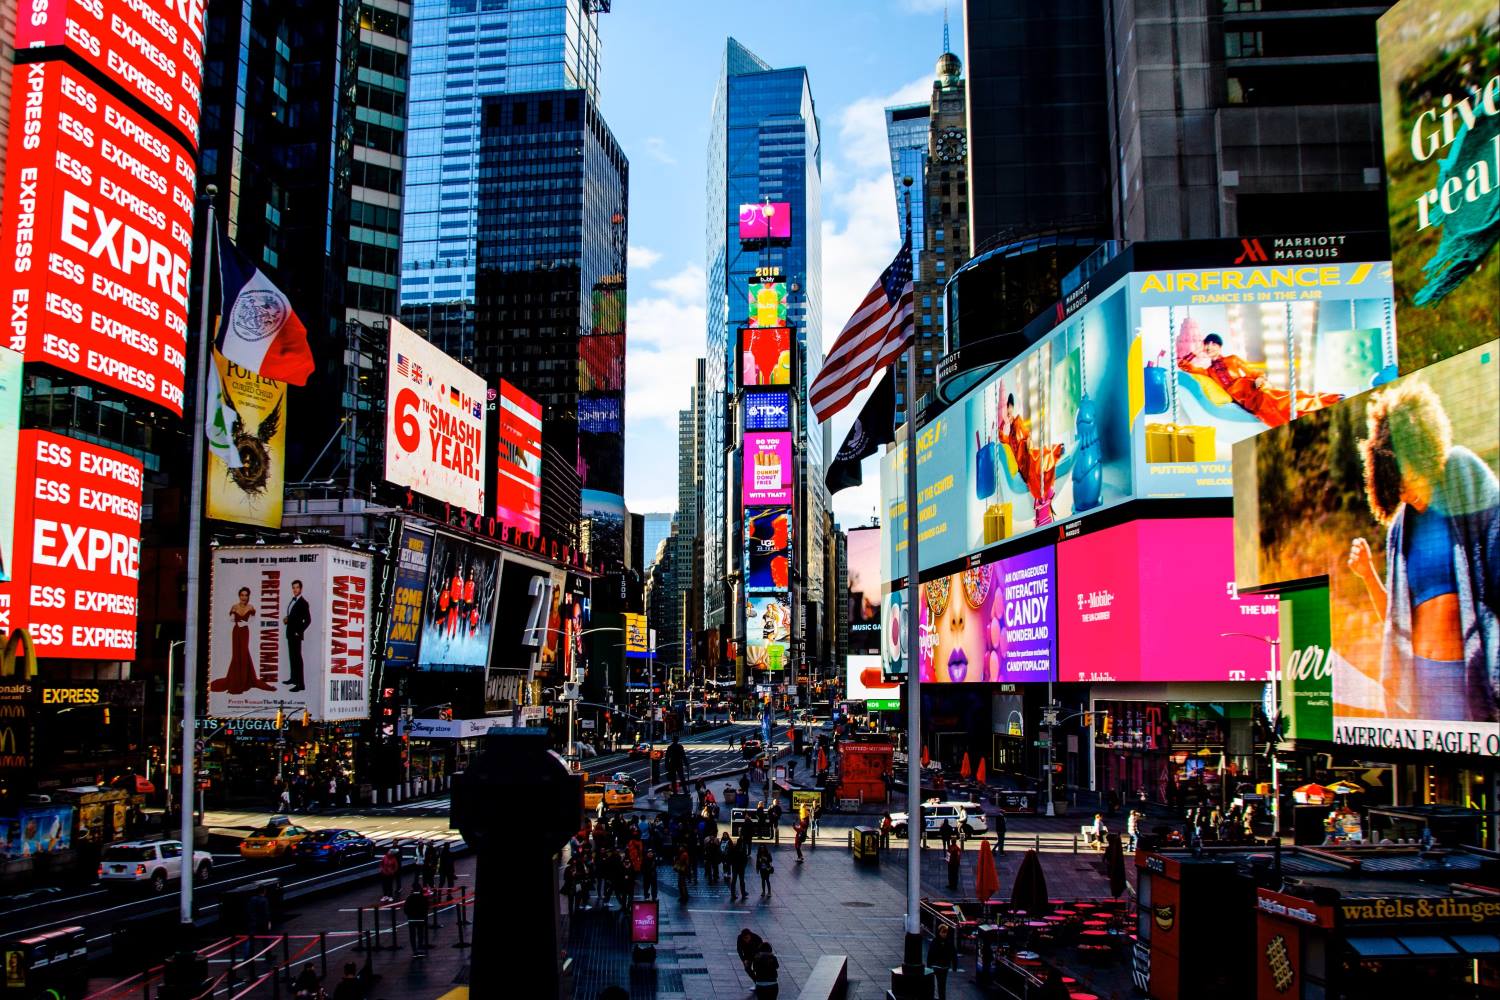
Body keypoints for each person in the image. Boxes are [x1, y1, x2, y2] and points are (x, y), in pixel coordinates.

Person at [1347, 379, 1499, 723]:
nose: (1404, 493)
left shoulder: (1463, 476)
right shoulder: (1402, 529)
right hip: (1420, 682)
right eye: (1393, 486)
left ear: (1422, 450)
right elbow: (1395, 620)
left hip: (1470, 675)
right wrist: (1368, 575)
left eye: (1405, 477)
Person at [1178, 331, 1340, 428]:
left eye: (1214, 344)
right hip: (1243, 399)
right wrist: (1196, 351)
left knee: (1281, 399)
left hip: (1253, 388)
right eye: (1207, 344)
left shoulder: (1233, 359)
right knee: (1274, 410)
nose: (1210, 347)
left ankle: (1327, 400)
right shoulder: (1208, 371)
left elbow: (1254, 372)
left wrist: (1260, 379)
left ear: (1220, 347)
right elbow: (1183, 365)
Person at [212, 588, 275, 693]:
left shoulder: (250, 607)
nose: (244, 597)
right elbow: (231, 619)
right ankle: (236, 679)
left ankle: (245, 680)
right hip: (236, 631)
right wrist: (235, 617)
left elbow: (252, 619)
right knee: (236, 654)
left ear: (248, 596)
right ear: (239, 596)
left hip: (244, 631)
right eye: (242, 595)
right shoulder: (234, 606)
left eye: (246, 595)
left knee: (244, 653)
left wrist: (244, 623)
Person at [283, 580, 311, 692]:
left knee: (297, 659)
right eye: (293, 588)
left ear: (301, 589)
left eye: (297, 587)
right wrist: (288, 619)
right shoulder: (293, 600)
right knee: (292, 657)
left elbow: (308, 620)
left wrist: (299, 632)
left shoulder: (303, 603)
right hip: (290, 633)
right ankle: (293, 679)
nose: (295, 590)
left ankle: (300, 684)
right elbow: (295, 617)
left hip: (295, 635)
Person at [927, 923, 957, 1000]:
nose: (944, 934)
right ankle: (941, 997)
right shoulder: (937, 942)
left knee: (941, 984)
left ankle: (941, 997)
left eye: (945, 932)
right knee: (940, 984)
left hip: (943, 966)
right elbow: (930, 954)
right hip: (938, 966)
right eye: (943, 932)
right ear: (939, 932)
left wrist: (954, 965)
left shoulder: (945, 942)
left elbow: (953, 954)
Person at [404, 886, 430, 956]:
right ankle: (420, 948)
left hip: (411, 919)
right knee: (420, 933)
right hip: (421, 918)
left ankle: (414, 950)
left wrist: (409, 915)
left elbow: (405, 909)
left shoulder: (409, 898)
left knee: (412, 935)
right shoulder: (423, 898)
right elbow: (426, 907)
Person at [729, 835, 750, 901]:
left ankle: (733, 894)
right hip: (741, 867)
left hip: (735, 866)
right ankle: (743, 893)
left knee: (734, 881)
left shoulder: (734, 849)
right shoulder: (743, 850)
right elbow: (745, 859)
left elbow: (731, 857)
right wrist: (744, 865)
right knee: (741, 881)